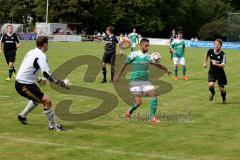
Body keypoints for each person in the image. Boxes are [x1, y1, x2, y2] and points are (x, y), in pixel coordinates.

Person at [15, 36, 71, 131]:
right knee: (47, 101)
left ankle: (22, 116)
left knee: (37, 100)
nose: (48, 46)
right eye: (48, 43)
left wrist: (37, 79)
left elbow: (26, 68)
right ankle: (53, 126)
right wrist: (61, 83)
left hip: (26, 82)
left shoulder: (31, 52)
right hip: (23, 85)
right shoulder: (41, 55)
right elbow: (46, 73)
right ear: (45, 44)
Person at [114, 38, 171, 124]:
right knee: (138, 102)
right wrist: (118, 76)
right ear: (141, 45)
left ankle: (152, 117)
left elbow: (157, 65)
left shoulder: (148, 56)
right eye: (146, 46)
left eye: (148, 46)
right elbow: (124, 64)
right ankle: (128, 112)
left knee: (154, 94)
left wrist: (166, 69)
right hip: (134, 82)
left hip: (145, 82)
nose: (148, 47)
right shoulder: (134, 54)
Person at [203, 39, 227, 104]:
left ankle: (224, 98)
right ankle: (213, 93)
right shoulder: (210, 51)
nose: (216, 45)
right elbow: (206, 54)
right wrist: (205, 63)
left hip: (220, 73)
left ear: (221, 46)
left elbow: (223, 65)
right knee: (211, 85)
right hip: (212, 72)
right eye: (215, 44)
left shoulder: (223, 54)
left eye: (218, 44)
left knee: (222, 90)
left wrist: (216, 64)